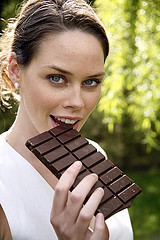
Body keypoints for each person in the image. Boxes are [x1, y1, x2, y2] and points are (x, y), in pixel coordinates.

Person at [0, 0, 133, 239]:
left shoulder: (95, 154)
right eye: (57, 78)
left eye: (91, 82)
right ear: (15, 70)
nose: (78, 102)